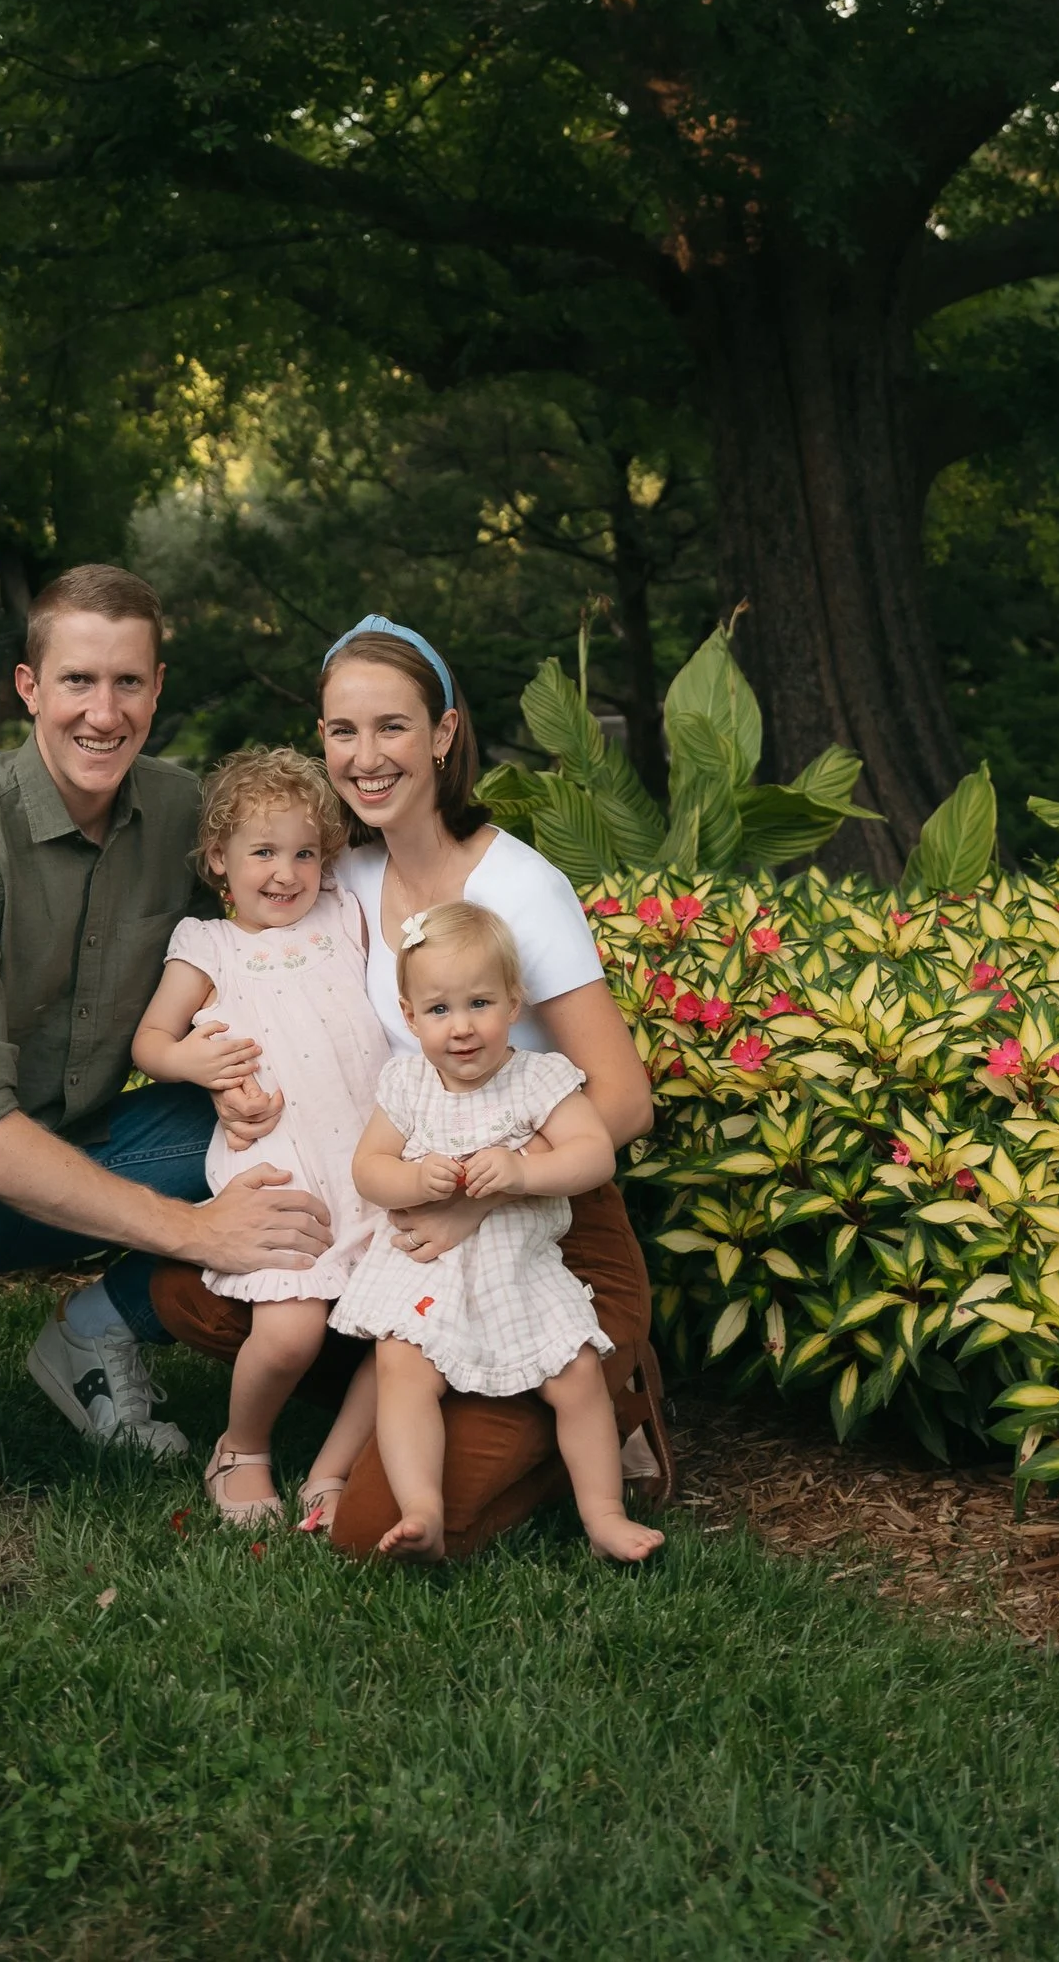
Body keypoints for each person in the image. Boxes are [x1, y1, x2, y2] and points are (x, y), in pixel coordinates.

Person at [0, 563, 336, 1515]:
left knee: (299, 1136)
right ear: (29, 688)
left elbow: (305, 857)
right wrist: (197, 1230)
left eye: (128, 681)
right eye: (78, 682)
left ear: (158, 688)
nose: (103, 711)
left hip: (90, 1136)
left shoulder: (180, 813)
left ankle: (95, 1331)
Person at [151, 611, 671, 1558]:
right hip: (401, 1213)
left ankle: (614, 1390)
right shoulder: (336, 877)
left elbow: (626, 1102)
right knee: (200, 1296)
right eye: (343, 731)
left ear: (442, 735)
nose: (366, 755)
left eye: (393, 727)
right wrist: (227, 1079)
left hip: (545, 1225)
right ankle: (402, 1406)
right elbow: (264, 996)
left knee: (367, 1528)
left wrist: (479, 1198)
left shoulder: (520, 888)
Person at [334, 900, 662, 1563]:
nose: (461, 1028)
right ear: (409, 1017)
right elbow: (368, 1169)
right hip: (428, 1272)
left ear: (515, 1004)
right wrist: (412, 1180)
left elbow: (594, 1154)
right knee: (402, 1367)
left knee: (574, 1374)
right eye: (438, 1010)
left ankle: (602, 1514)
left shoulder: (537, 1080)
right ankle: (422, 1506)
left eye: (479, 1003)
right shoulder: (408, 1085)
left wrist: (519, 1169)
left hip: (520, 1265)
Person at [130, 746, 389, 1530]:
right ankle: (242, 1448)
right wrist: (193, 1062)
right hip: (285, 1168)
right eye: (263, 852)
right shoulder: (209, 945)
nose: (286, 872)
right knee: (289, 1333)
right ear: (220, 858)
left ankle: (334, 1469)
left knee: (404, 1325)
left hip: (371, 1161)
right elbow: (149, 1042)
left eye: (305, 852)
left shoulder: (343, 916)